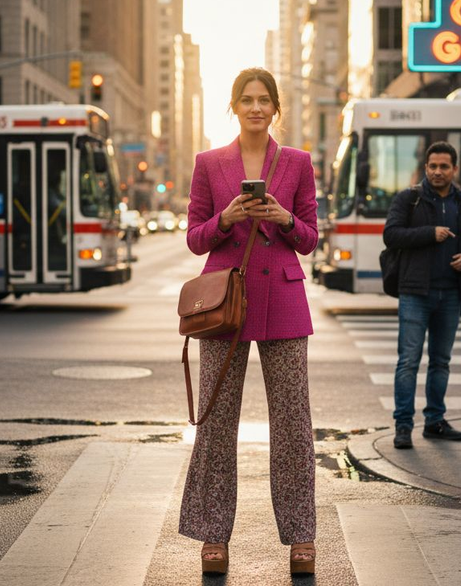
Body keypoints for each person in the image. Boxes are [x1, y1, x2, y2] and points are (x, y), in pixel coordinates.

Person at [178, 68, 319, 575]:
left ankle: (302, 536)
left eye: (264, 100)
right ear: (233, 107)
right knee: (217, 425)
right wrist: (227, 219)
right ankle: (213, 536)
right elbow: (195, 237)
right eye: (247, 100)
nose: (256, 107)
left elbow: (309, 238)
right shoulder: (209, 163)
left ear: (275, 108)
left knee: (293, 426)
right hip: (224, 303)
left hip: (283, 301)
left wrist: (282, 217)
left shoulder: (298, 162)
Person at [384, 141, 461, 450]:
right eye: (433, 166)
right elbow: (391, 234)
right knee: (409, 361)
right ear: (425, 168)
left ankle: (435, 421)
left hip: (450, 293)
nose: (438, 171)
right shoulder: (409, 199)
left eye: (444, 166)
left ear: (454, 169)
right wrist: (430, 233)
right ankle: (403, 426)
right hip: (415, 292)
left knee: (441, 362)